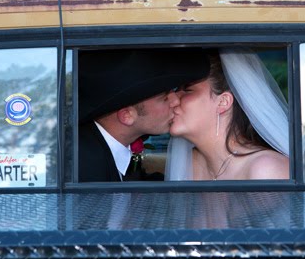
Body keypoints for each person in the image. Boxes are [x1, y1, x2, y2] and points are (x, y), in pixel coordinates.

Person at [78, 48, 209, 182]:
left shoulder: (104, 148)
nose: (176, 101)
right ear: (127, 116)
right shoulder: (83, 166)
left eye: (172, 90)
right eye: (164, 97)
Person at [165, 48, 289, 181]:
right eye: (175, 89)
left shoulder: (266, 170)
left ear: (223, 102)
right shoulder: (191, 163)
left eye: (187, 90)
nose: (172, 99)